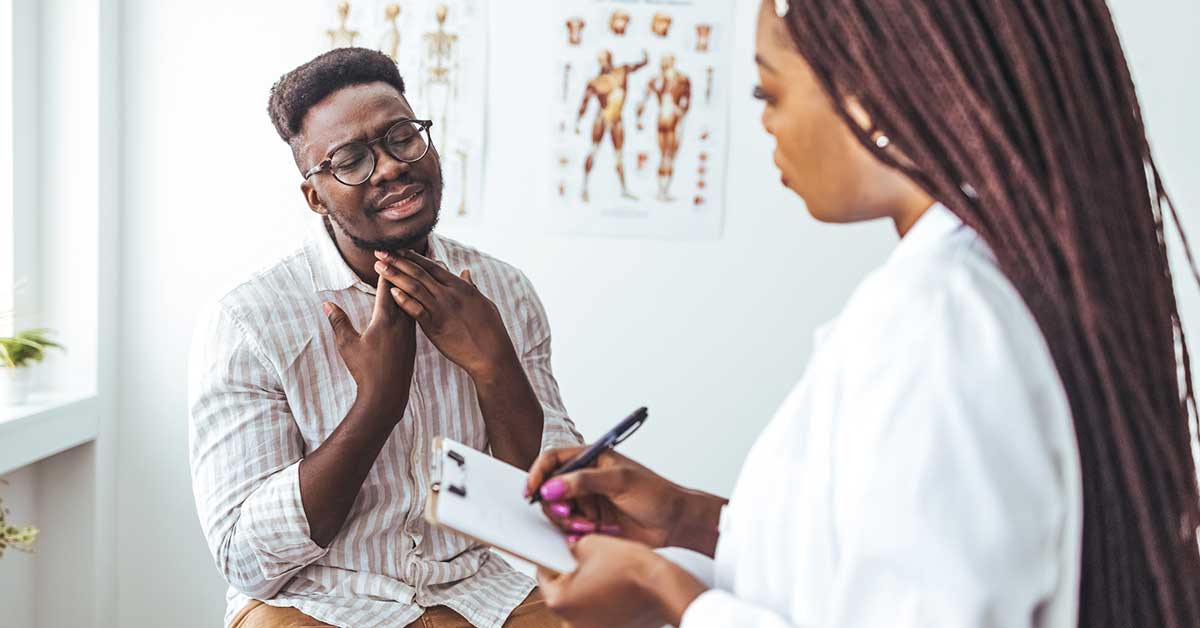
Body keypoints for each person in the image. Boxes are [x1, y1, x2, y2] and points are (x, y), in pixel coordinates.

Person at [526, 1, 1200, 627]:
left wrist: (665, 593)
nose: (766, 123)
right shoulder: (976, 287)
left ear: (869, 96)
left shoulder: (938, 322)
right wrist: (692, 521)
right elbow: (878, 561)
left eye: (768, 92)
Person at [188, 48, 580, 628]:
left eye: (402, 137)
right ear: (315, 196)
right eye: (350, 160)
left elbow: (555, 517)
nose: (391, 167)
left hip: (479, 590)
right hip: (316, 601)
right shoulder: (251, 320)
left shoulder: (504, 291)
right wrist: (377, 405)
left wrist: (496, 367)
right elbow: (246, 561)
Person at [576, 49, 649, 202]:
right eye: (600, 60)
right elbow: (584, 102)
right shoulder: (595, 82)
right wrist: (578, 120)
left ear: (610, 59)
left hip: (616, 119)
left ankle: (624, 189)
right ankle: (584, 187)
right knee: (593, 150)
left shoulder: (622, 71)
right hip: (602, 118)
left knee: (619, 155)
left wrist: (645, 59)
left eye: (604, 59)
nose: (603, 63)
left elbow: (636, 66)